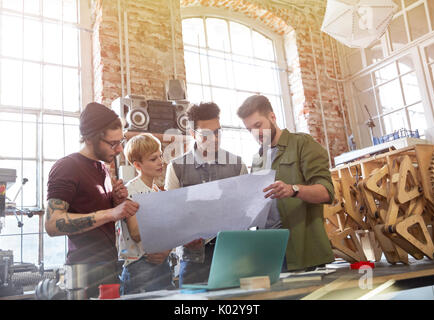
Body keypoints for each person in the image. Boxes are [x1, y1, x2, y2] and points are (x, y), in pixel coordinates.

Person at [45, 102, 139, 298]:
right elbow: (52, 224)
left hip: (109, 265)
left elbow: (96, 213)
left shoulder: (102, 169)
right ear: (89, 138)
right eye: (113, 143)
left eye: (120, 141)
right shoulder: (66, 167)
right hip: (84, 271)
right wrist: (111, 213)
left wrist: (115, 201)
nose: (120, 149)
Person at [237, 95, 335, 272]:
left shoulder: (302, 144)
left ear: (272, 117)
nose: (255, 133)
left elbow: (326, 192)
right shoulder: (258, 159)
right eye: (249, 129)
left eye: (258, 125)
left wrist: (293, 190)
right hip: (268, 253)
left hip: (301, 253)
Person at [164, 102, 248, 287]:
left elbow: (246, 210)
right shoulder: (177, 168)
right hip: (194, 260)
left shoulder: (237, 165)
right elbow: (171, 214)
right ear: (193, 134)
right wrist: (184, 236)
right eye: (207, 134)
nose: (215, 139)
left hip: (232, 255)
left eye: (218, 132)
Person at [116, 133, 175, 294]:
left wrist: (166, 249)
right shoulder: (130, 191)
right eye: (153, 159)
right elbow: (135, 232)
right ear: (137, 165)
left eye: (160, 156)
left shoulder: (157, 190)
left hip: (162, 262)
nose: (160, 162)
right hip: (140, 266)